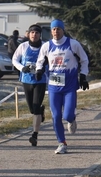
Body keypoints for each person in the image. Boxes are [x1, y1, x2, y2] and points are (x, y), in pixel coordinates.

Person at [36, 19, 89, 154]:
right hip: (54, 86)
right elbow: (40, 61)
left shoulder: (73, 44)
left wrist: (83, 76)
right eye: (53, 29)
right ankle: (62, 143)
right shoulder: (46, 46)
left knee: (67, 115)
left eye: (58, 29)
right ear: (51, 31)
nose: (55, 31)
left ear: (63, 30)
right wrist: (39, 70)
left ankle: (72, 119)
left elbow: (84, 59)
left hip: (70, 86)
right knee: (56, 115)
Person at [12, 24, 47, 146]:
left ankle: (34, 135)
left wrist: (42, 70)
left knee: (36, 107)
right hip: (26, 80)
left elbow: (50, 60)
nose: (34, 35)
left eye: (37, 33)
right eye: (32, 32)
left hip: (40, 80)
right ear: (28, 34)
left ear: (40, 35)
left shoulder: (45, 46)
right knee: (32, 109)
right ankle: (40, 111)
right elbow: (14, 60)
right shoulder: (23, 46)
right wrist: (22, 68)